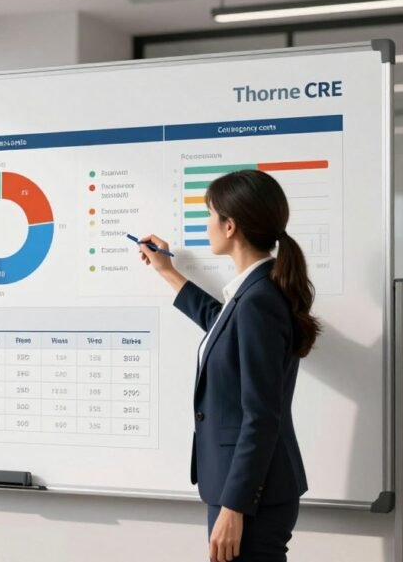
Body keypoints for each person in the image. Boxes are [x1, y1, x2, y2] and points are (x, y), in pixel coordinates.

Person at [138, 169, 318, 562]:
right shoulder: (256, 293)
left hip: (250, 496)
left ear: (230, 225)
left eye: (210, 214)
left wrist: (234, 507)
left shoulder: (258, 300)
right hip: (244, 487)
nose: (207, 224)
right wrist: (168, 273)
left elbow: (261, 415)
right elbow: (222, 325)